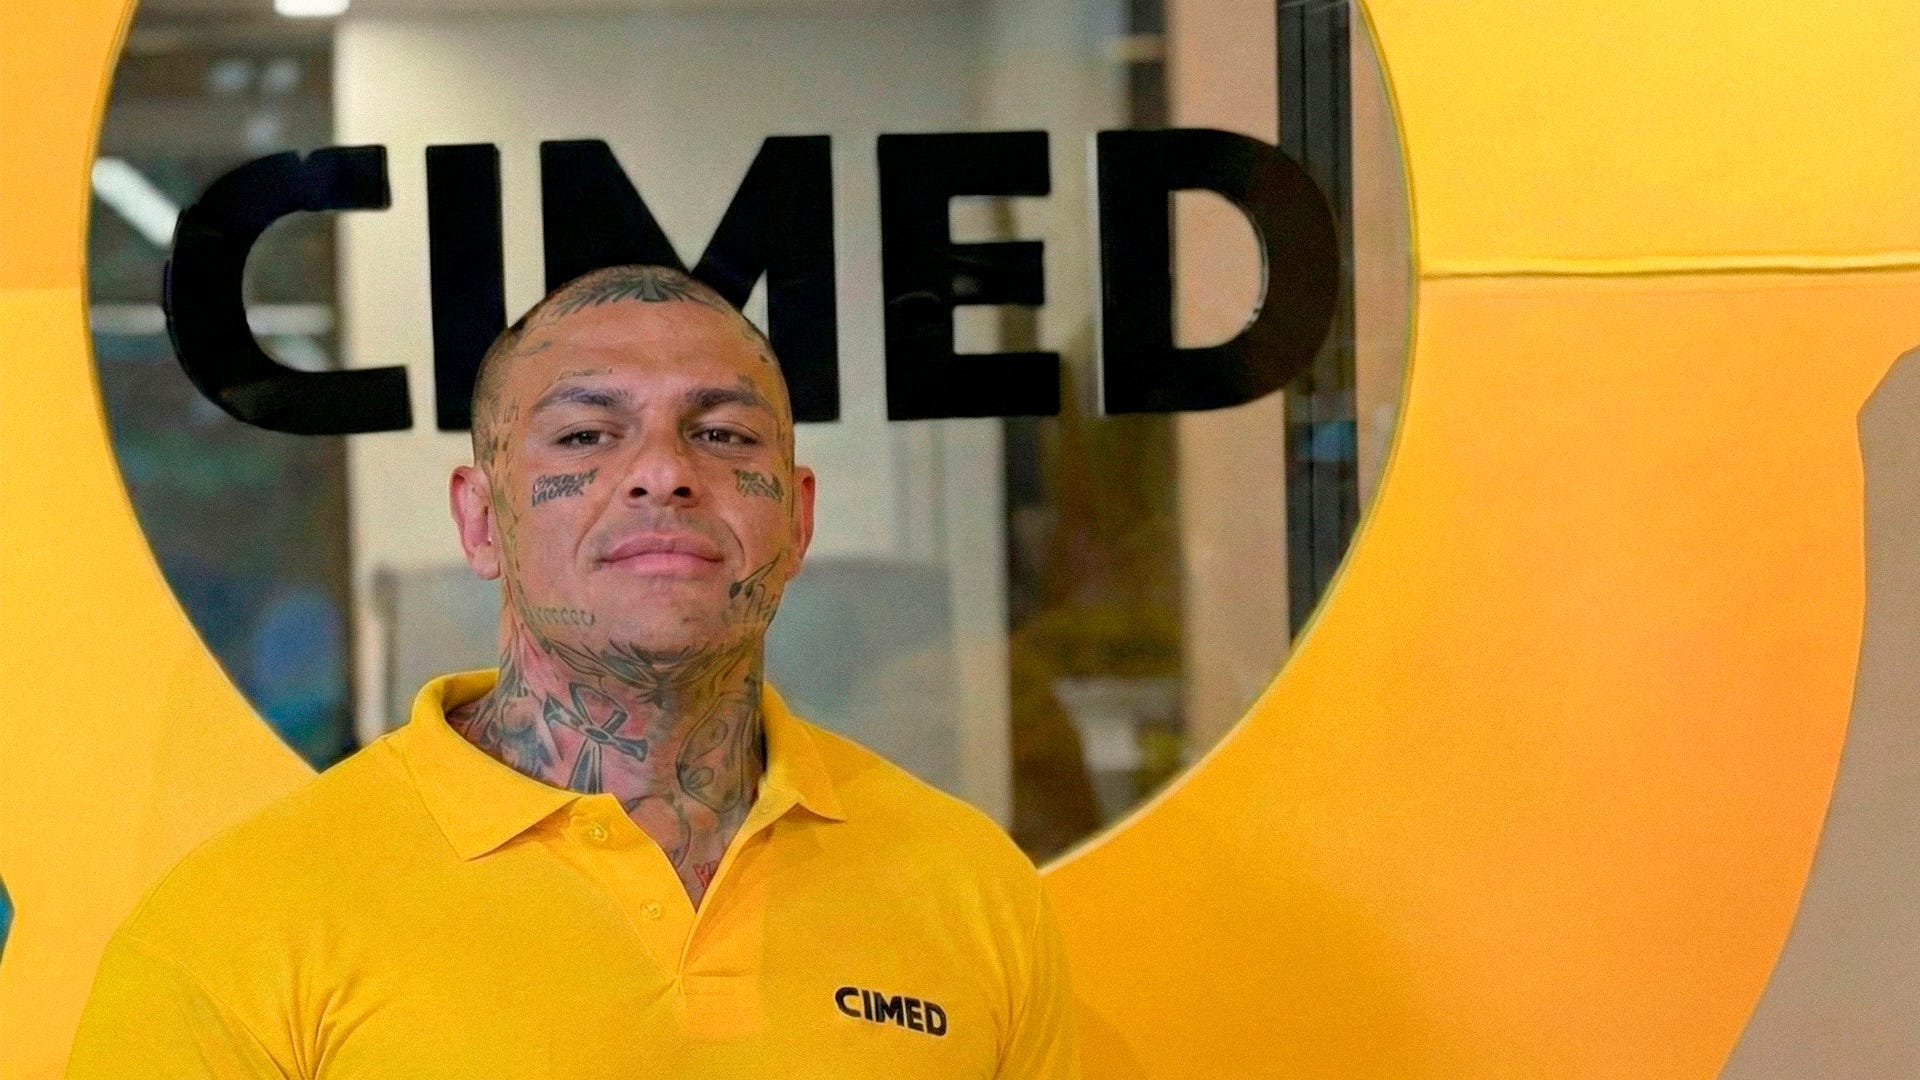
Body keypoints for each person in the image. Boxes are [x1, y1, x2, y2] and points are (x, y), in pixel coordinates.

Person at [66, 265, 1079, 1078]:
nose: (664, 472)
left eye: (722, 434)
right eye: (587, 435)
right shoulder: (235, 926)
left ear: (798, 516)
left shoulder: (969, 886)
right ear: (480, 520)